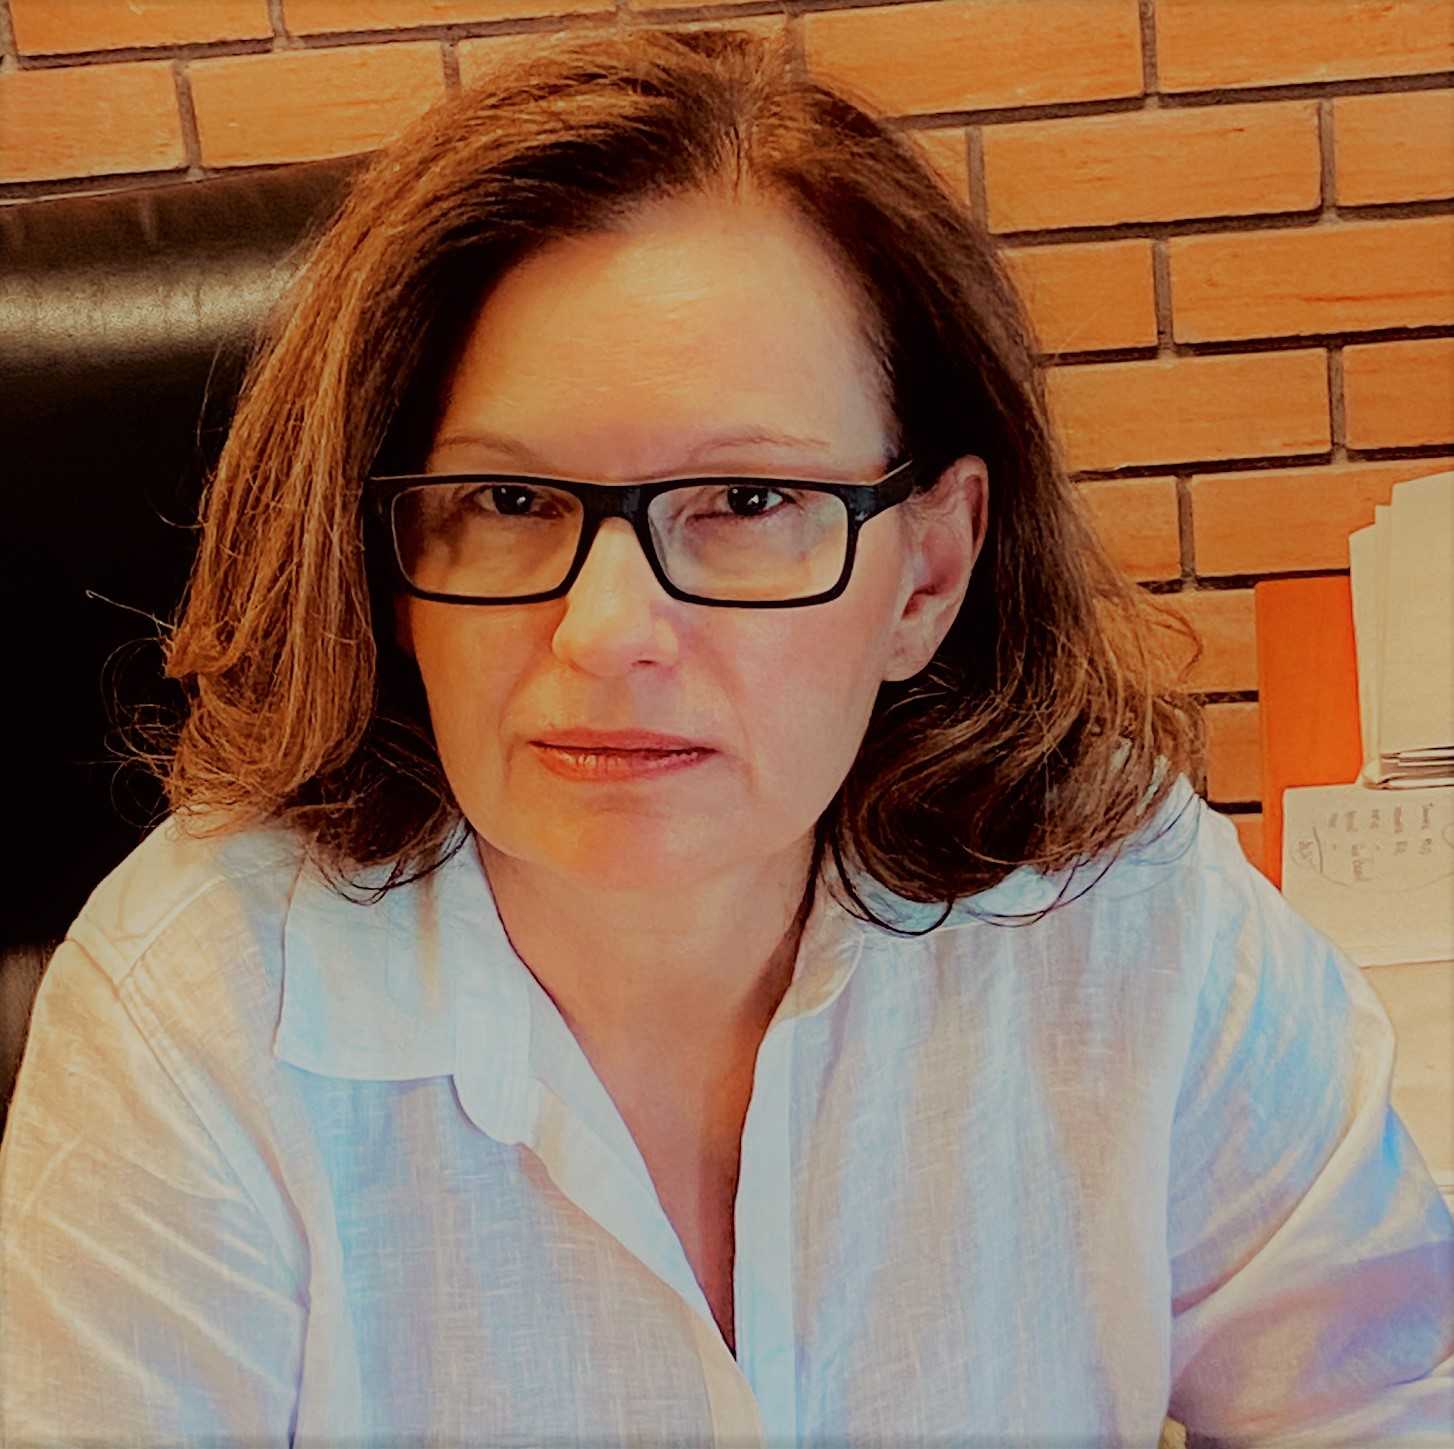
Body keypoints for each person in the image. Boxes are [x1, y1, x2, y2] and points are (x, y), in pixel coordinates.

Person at [2, 26, 1449, 1447]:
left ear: (927, 574)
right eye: (508, 502)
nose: (605, 632)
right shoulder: (195, 1011)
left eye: (747, 502)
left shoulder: (1118, 911)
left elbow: (1390, 1392)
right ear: (389, 567)